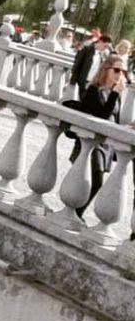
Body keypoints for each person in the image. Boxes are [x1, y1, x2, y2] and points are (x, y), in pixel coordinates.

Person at [65, 54, 126, 218]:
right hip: (92, 142)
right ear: (106, 70)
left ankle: (77, 214)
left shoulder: (116, 94)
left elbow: (114, 119)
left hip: (105, 144)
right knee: (93, 180)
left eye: (122, 71)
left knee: (96, 182)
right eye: (117, 70)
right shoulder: (94, 90)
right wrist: (114, 94)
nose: (120, 74)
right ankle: (76, 213)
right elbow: (101, 117)